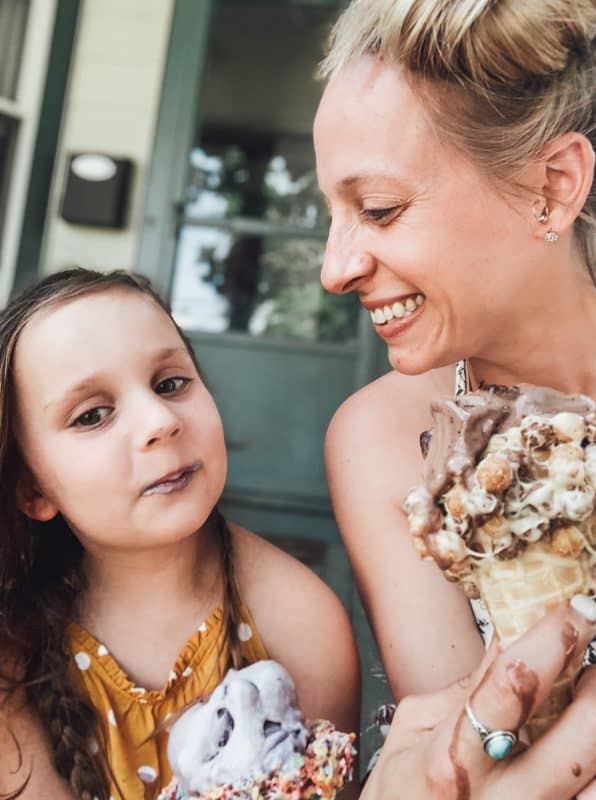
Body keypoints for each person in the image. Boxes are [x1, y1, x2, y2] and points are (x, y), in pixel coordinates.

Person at [313, 0, 596, 795]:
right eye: (332, 217)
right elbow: (476, 763)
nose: (333, 272)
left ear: (552, 185)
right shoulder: (382, 440)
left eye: (378, 210)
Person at [0, 268, 360, 800]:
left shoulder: (301, 623)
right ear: (32, 489)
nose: (158, 420)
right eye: (93, 415)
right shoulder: (14, 648)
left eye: (170, 384)